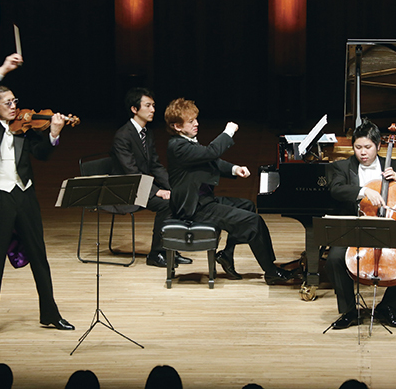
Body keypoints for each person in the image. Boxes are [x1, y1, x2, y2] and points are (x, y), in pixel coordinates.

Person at [0, 53, 74, 338]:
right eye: (8, 103)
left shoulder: (26, 130)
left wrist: (54, 133)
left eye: (15, 101)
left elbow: (41, 154)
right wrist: (3, 69)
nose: (14, 107)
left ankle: (50, 315)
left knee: (39, 256)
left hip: (24, 194)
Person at [164, 98, 293, 284]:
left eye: (196, 119)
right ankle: (271, 271)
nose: (196, 123)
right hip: (194, 208)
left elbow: (210, 161)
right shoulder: (177, 147)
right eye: (191, 121)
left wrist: (234, 169)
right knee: (253, 221)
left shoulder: (187, 142)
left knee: (248, 206)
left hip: (205, 200)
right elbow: (211, 152)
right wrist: (228, 132)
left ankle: (227, 254)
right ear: (177, 126)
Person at [326, 119, 396, 329]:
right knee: (335, 258)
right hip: (354, 229)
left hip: (388, 229)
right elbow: (335, 190)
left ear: (379, 146)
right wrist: (363, 191)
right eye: (358, 147)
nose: (363, 153)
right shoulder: (341, 167)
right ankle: (349, 312)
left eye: (368, 147)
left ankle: (388, 306)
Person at [110, 87, 191, 268]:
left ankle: (170, 249)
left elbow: (155, 164)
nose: (153, 109)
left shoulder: (147, 133)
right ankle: (156, 254)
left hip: (140, 185)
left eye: (153, 105)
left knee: (176, 197)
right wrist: (157, 191)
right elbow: (131, 173)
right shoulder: (123, 136)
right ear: (134, 109)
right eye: (148, 105)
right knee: (166, 204)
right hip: (125, 189)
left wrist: (173, 186)